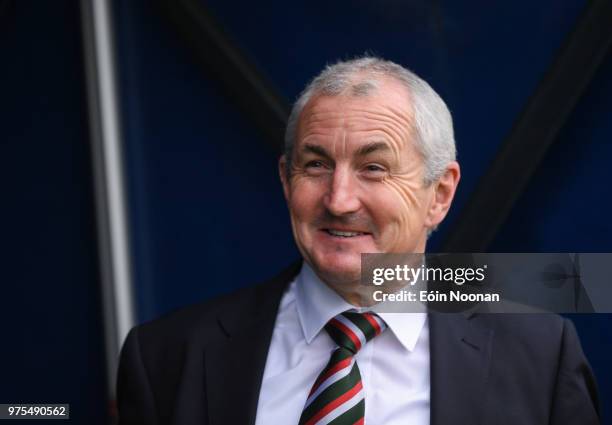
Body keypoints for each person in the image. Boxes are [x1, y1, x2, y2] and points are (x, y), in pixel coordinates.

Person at [117, 57, 600, 425]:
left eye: (374, 167)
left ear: (440, 194)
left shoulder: (541, 355)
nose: (340, 199)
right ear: (286, 180)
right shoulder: (167, 356)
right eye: (316, 164)